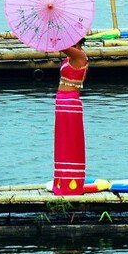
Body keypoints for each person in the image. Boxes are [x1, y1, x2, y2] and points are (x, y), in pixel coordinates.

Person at [53, 41, 88, 196]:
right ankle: (61, 181)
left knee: (70, 139)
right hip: (61, 101)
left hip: (70, 102)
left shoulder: (79, 55)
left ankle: (71, 183)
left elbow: (59, 46)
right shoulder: (71, 56)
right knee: (62, 139)